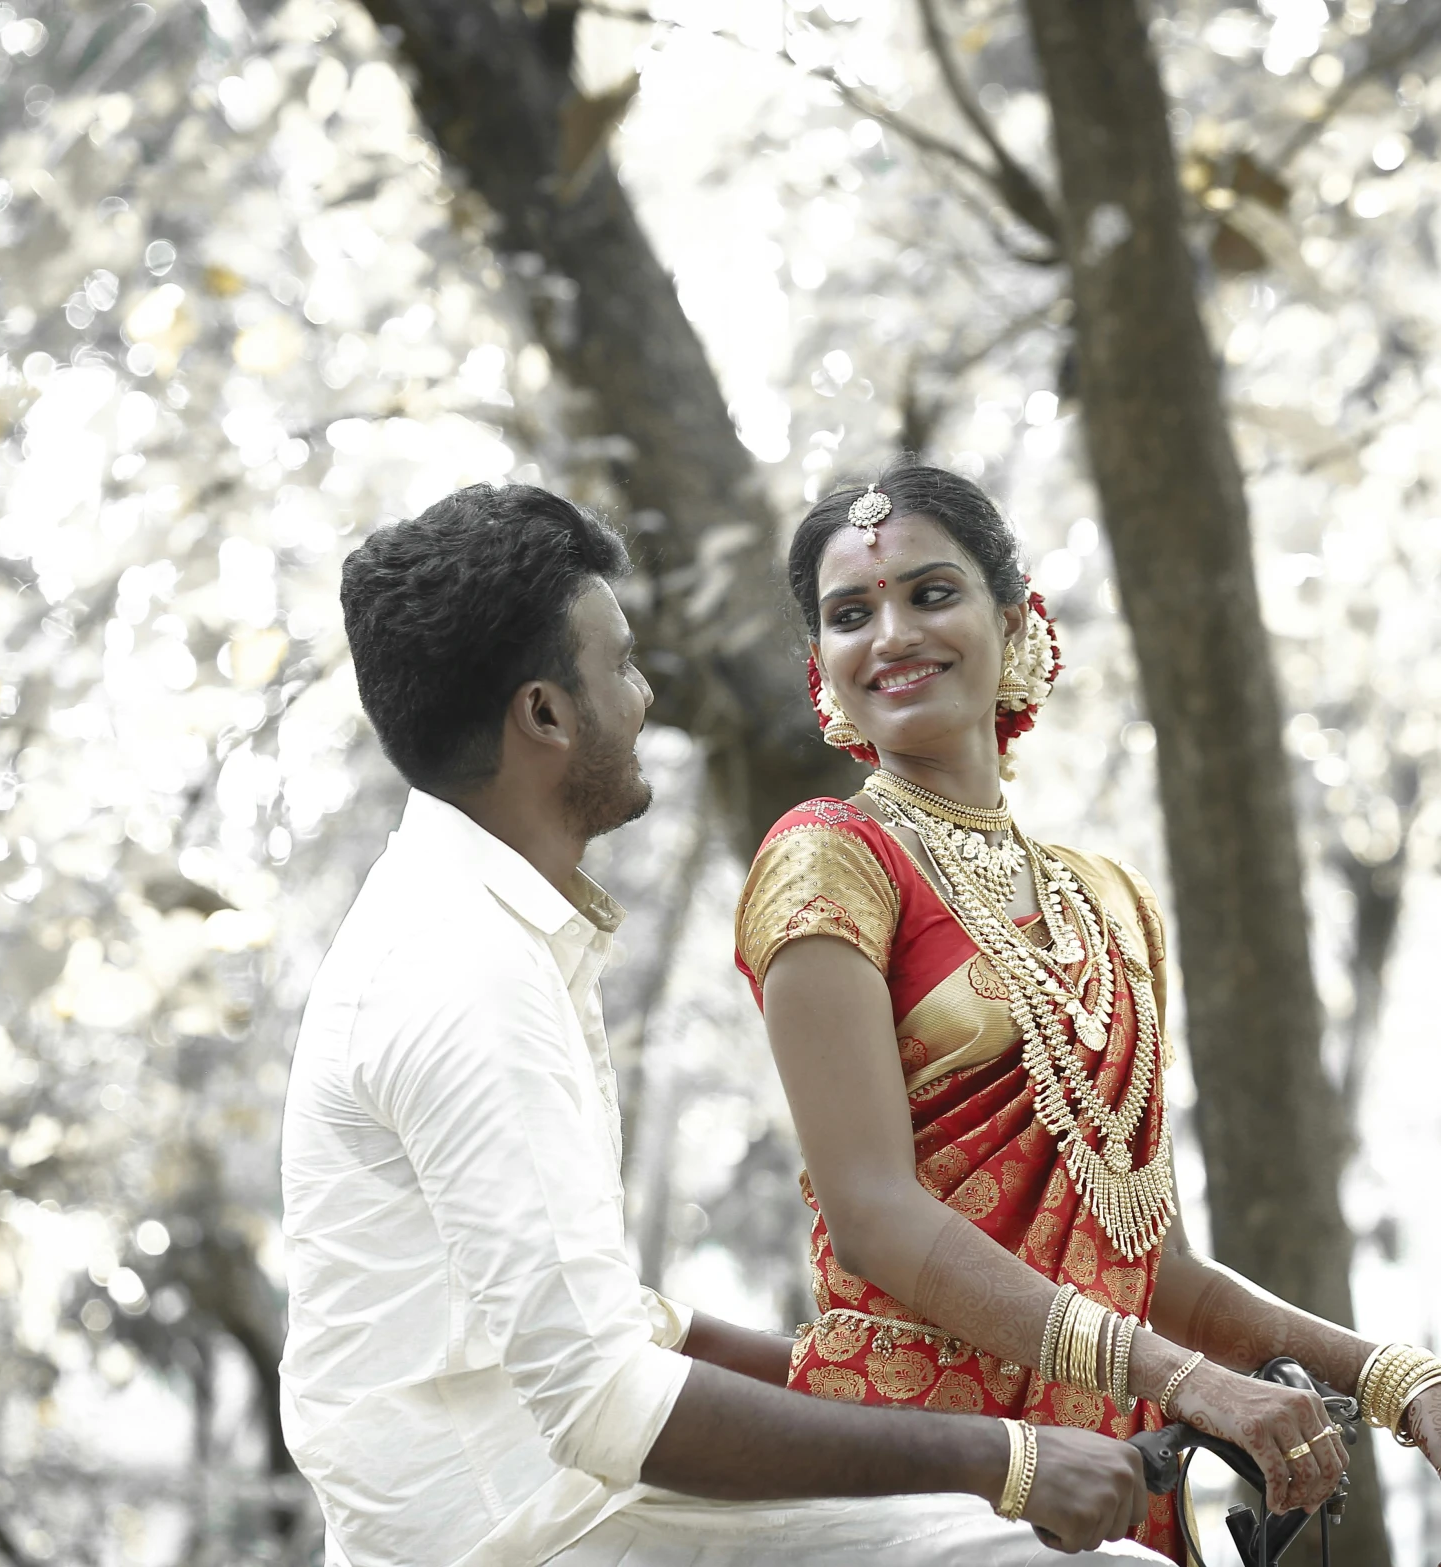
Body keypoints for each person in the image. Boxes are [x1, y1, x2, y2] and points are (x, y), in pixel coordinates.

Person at [279, 483, 1164, 1567]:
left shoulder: (478, 926)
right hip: (527, 1533)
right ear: (546, 716)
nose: (646, 699)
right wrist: (1001, 1458)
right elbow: (606, 1400)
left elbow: (606, 1322)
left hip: (566, 1499)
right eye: (620, 666)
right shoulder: (464, 974)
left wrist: (853, 1386)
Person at [732, 462, 1441, 1565]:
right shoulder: (829, 861)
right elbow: (872, 1216)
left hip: (1112, 1477)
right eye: (851, 614)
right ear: (825, 670)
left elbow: (1156, 1267)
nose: (893, 634)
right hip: (912, 1470)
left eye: (931, 593)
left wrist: (1389, 1375)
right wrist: (1190, 1382)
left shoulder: (1109, 905)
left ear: (1014, 621)